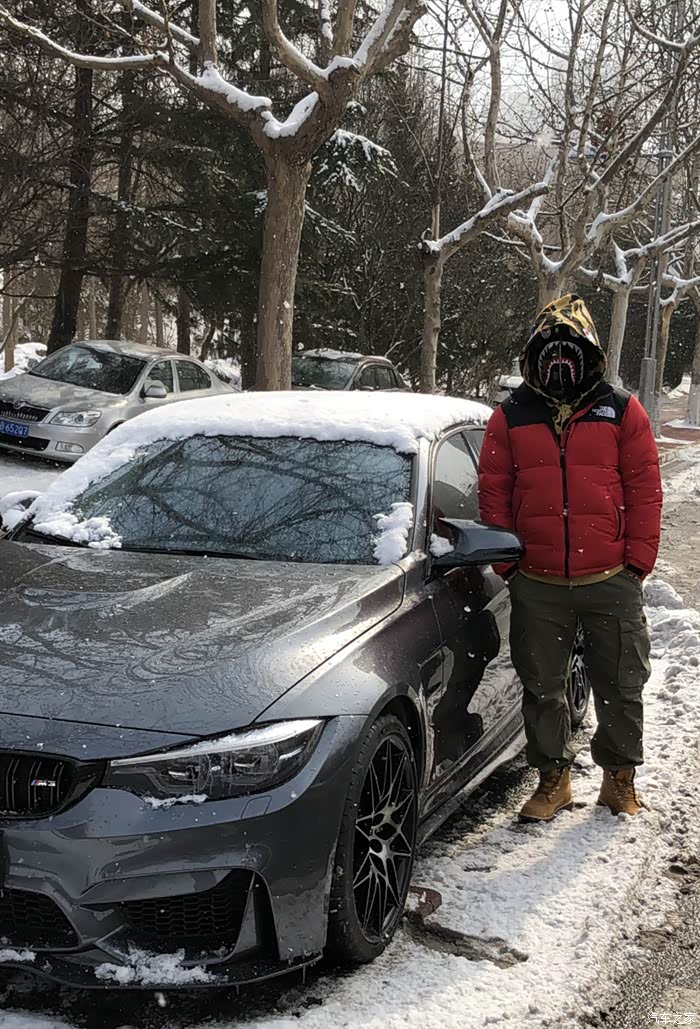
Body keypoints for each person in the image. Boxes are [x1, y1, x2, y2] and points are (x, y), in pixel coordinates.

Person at [478, 294, 662, 822]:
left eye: (571, 350)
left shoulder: (621, 409)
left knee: (621, 684)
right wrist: (509, 564)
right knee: (542, 687)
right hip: (537, 582)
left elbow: (645, 489)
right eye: (549, 351)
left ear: (591, 354)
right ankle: (552, 780)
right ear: (533, 356)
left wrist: (637, 562)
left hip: (611, 577)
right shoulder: (510, 416)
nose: (559, 362)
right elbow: (494, 492)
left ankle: (619, 781)